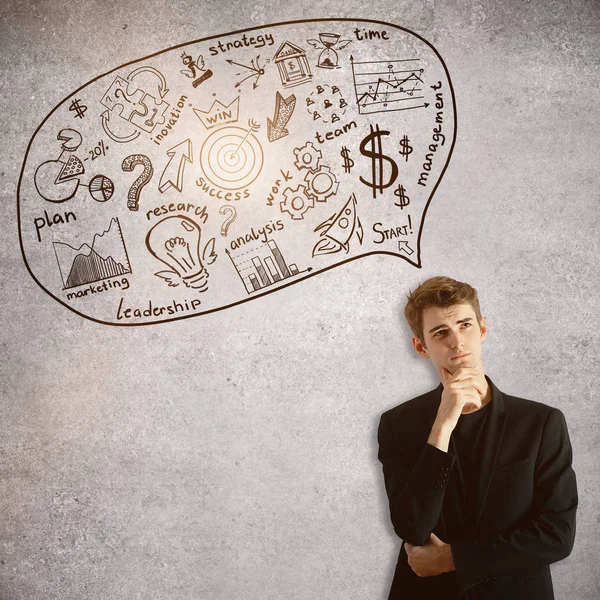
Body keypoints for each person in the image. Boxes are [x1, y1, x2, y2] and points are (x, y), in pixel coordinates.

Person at [377, 276, 578, 599]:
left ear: (482, 330)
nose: (457, 342)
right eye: (441, 332)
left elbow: (557, 535)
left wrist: (453, 558)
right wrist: (442, 424)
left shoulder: (541, 422)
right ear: (421, 346)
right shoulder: (398, 424)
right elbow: (412, 527)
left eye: (465, 325)